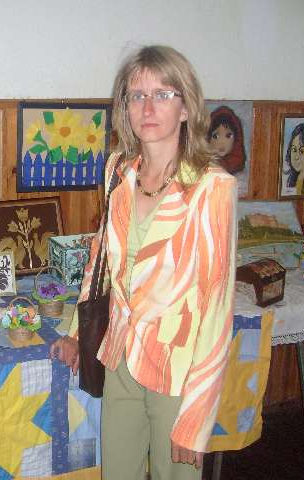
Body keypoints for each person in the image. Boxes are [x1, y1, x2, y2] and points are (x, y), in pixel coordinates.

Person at [50, 45, 237, 480]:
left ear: (186, 108)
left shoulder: (212, 188)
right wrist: (76, 332)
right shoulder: (118, 170)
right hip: (120, 356)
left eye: (163, 94)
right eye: (137, 95)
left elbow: (217, 307)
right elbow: (101, 258)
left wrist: (196, 416)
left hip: (178, 370)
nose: (147, 108)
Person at [207, 105, 246, 174]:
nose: (222, 142)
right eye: (215, 136)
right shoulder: (204, 166)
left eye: (228, 136)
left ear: (236, 139)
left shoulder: (239, 169)